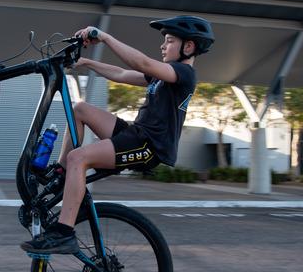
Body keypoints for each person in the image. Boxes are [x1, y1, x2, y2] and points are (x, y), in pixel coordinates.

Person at [21, 16, 215, 254]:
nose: (163, 46)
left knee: (79, 158)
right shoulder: (163, 76)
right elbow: (122, 74)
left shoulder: (184, 74)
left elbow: (143, 63)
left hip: (149, 146)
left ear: (188, 47)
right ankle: (60, 174)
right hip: (136, 133)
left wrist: (104, 37)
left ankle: (64, 234)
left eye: (169, 40)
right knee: (80, 109)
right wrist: (86, 63)